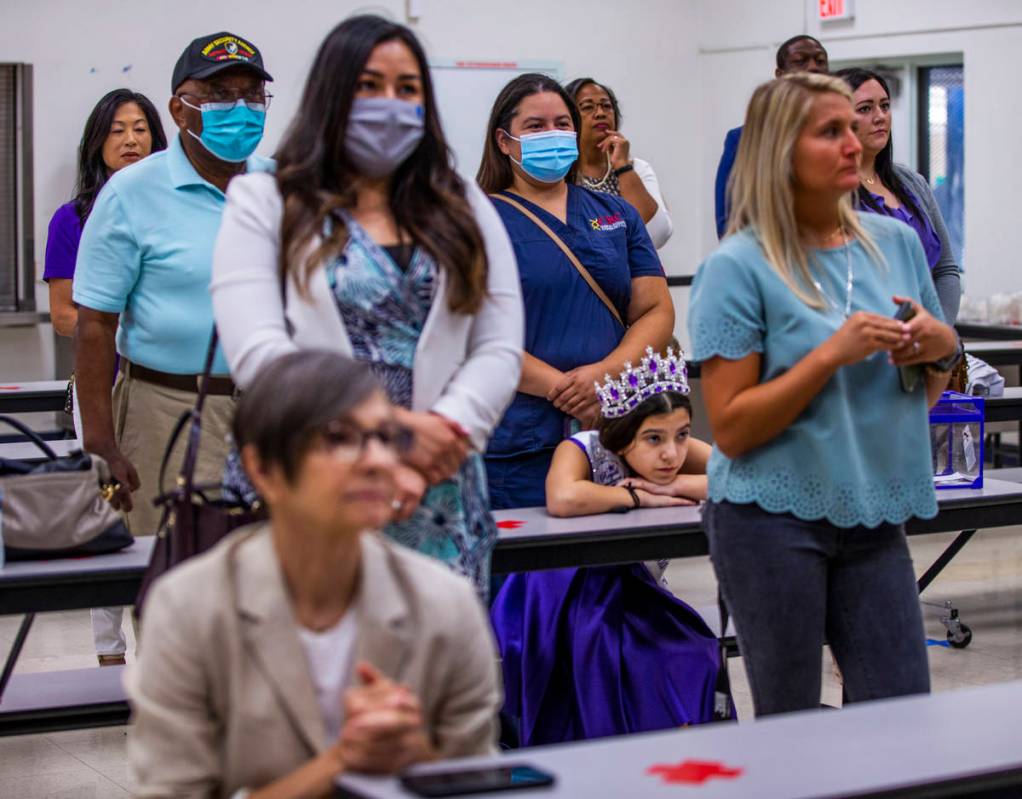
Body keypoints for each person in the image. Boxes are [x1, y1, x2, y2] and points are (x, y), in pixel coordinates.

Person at [211, 15, 522, 599]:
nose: (390, 103)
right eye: (369, 85)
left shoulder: (460, 203)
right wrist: (390, 435)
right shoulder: (267, 201)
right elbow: (259, 351)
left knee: (436, 679)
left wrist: (443, 433)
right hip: (311, 473)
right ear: (332, 94)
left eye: (407, 89)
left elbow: (499, 344)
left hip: (440, 484)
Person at [689, 73, 963, 717]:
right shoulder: (737, 267)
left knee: (900, 714)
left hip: (872, 514)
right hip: (770, 520)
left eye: (856, 125)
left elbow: (922, 391)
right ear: (782, 149)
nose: (854, 141)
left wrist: (938, 348)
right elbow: (729, 427)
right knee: (792, 721)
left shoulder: (895, 243)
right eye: (831, 130)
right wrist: (829, 356)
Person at [127, 350, 502, 798]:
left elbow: (479, 780)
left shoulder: (443, 602)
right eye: (339, 438)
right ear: (262, 470)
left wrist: (414, 753)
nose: (378, 461)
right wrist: (341, 763)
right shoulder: (190, 608)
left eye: (387, 437)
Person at [73, 31, 274, 539]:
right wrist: (100, 444)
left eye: (252, 95)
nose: (240, 108)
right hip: (170, 409)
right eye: (220, 96)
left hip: (272, 416)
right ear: (179, 110)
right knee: (176, 586)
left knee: (267, 588)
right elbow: (95, 323)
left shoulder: (283, 187)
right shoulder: (131, 193)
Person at [491, 347, 725, 746]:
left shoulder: (671, 461)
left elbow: (742, 475)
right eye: (653, 438)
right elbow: (562, 498)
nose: (671, 453)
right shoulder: (585, 446)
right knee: (605, 653)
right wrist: (639, 498)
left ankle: (674, 750)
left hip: (637, 592)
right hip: (565, 595)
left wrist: (678, 484)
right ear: (622, 436)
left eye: (682, 435)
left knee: (697, 650)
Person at [477, 73, 674, 511]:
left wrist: (604, 376)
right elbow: (471, 330)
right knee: (531, 577)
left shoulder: (617, 213)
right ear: (504, 142)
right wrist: (561, 389)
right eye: (535, 126)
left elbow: (656, 310)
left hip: (611, 430)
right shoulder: (477, 221)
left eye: (563, 124)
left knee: (610, 574)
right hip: (520, 442)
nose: (554, 135)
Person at [43, 89, 166, 667]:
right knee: (107, 520)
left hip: (166, 394)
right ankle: (109, 658)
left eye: (141, 128)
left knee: (159, 523)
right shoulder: (74, 219)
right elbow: (67, 317)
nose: (131, 141)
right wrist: (139, 321)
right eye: (117, 130)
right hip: (102, 391)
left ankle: (163, 656)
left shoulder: (177, 207)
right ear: (98, 143)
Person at [836, 67, 961, 324]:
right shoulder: (834, 193)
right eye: (865, 109)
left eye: (885, 106)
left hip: (931, 338)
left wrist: (940, 330)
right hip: (875, 339)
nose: (880, 116)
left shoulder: (912, 183)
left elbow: (946, 269)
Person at [714, 34, 829, 238]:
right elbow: (728, 220)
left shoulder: (839, 137)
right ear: (780, 74)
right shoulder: (743, 139)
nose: (813, 67)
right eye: (800, 61)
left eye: (820, 61)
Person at [563, 77, 673, 248]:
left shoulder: (637, 168)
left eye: (606, 106)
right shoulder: (562, 173)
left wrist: (623, 167)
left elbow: (657, 235)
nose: (600, 113)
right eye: (587, 107)